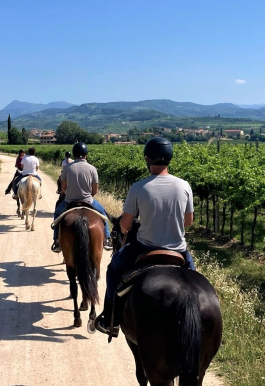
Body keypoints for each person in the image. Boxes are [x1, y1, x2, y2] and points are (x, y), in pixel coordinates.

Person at [94, 137, 196, 337]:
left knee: (113, 269)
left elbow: (125, 224)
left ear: (147, 159)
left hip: (145, 248)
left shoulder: (139, 187)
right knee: (195, 280)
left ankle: (109, 320)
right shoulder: (184, 186)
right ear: (169, 159)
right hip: (178, 249)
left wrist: (126, 229)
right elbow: (188, 222)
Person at [51, 142, 111, 253]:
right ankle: (107, 238)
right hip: (88, 200)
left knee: (57, 214)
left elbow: (63, 187)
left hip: (69, 201)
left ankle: (57, 241)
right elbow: (95, 190)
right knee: (103, 213)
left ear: (74, 154)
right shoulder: (92, 169)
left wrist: (70, 194)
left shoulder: (67, 168)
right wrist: (87, 196)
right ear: (86, 154)